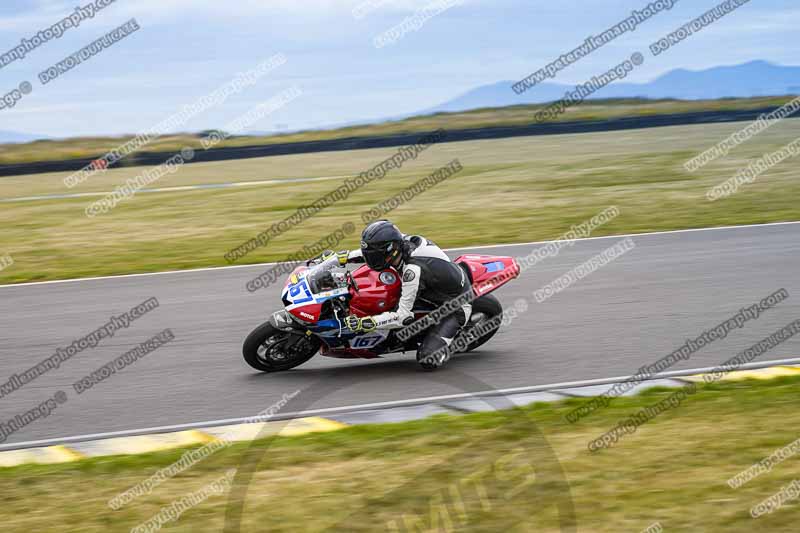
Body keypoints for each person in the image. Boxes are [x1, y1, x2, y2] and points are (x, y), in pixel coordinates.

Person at [321, 220, 472, 369]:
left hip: (455, 305)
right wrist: (340, 258)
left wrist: (365, 323)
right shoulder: (398, 242)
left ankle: (447, 343)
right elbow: (375, 250)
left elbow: (403, 316)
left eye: (374, 256)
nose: (370, 260)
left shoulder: (412, 271)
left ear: (391, 251)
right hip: (433, 284)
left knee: (428, 359)